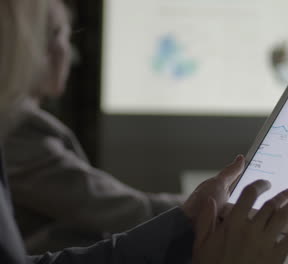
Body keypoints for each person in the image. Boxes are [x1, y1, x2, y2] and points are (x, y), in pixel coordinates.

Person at [0, 0, 288, 263]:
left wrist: (191, 212)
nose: (73, 55)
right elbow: (110, 208)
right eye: (61, 36)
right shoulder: (16, 127)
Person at [4, 0, 182, 254]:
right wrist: (206, 203)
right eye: (68, 39)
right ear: (42, 49)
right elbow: (118, 210)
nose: (73, 57)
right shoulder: (18, 127)